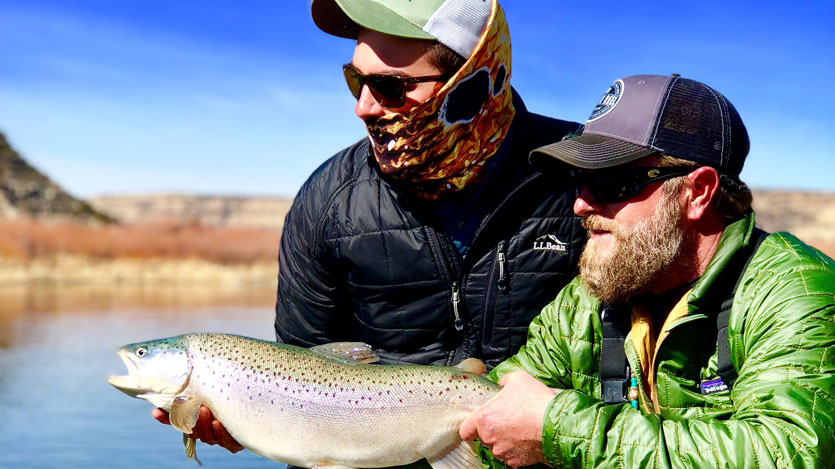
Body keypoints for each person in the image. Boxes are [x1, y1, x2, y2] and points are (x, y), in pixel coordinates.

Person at [154, 0, 585, 454]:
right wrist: (256, 422)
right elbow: (304, 363)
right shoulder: (327, 202)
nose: (363, 108)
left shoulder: (590, 176)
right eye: (355, 81)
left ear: (474, 84)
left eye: (390, 87)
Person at [460, 74, 835, 467]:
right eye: (580, 181)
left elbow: (784, 451)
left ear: (699, 192)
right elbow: (499, 408)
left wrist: (560, 429)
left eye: (609, 183)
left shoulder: (800, 291)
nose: (581, 205)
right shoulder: (592, 297)